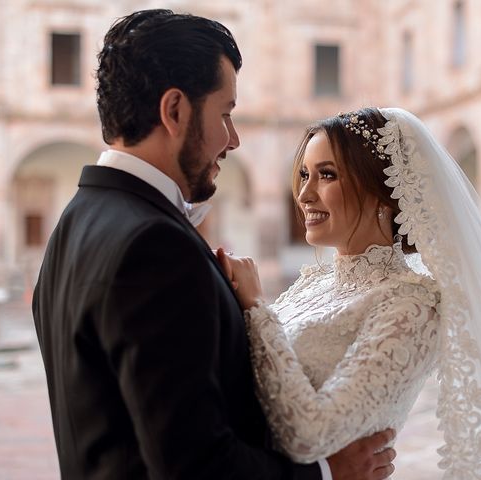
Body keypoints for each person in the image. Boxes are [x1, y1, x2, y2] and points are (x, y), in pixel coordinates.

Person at [32, 9, 397, 480]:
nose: (234, 139)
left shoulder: (75, 222)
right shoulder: (154, 245)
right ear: (175, 110)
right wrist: (328, 472)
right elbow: (196, 464)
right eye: (225, 114)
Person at [222, 107, 481, 479]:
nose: (304, 194)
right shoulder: (312, 283)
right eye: (304, 174)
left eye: (327, 175)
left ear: (383, 195)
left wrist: (257, 307)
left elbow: (310, 434)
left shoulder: (413, 306)